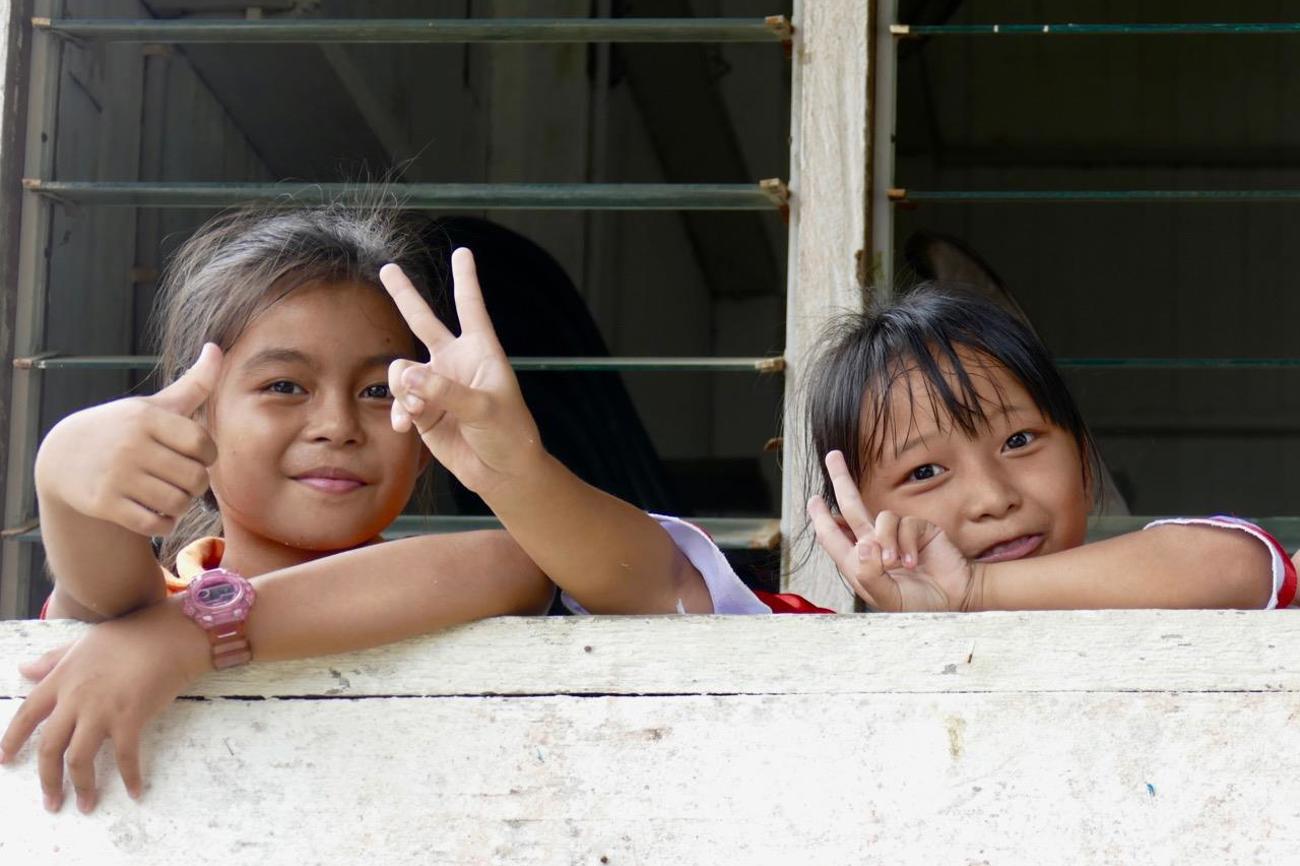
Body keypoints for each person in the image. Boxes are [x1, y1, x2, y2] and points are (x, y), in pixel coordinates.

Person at [1, 205, 802, 815]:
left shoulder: (455, 582)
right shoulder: (146, 610)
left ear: (420, 439)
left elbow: (513, 562)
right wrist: (62, 476)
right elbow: (100, 597)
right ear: (195, 414)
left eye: (379, 391)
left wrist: (192, 637)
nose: (336, 425)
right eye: (284, 385)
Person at [801, 286, 1296, 612]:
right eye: (925, 471)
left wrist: (974, 589)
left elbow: (1237, 565)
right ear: (850, 532)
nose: (994, 499)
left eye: (1018, 441)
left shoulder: (1148, 585)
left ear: (1084, 458)